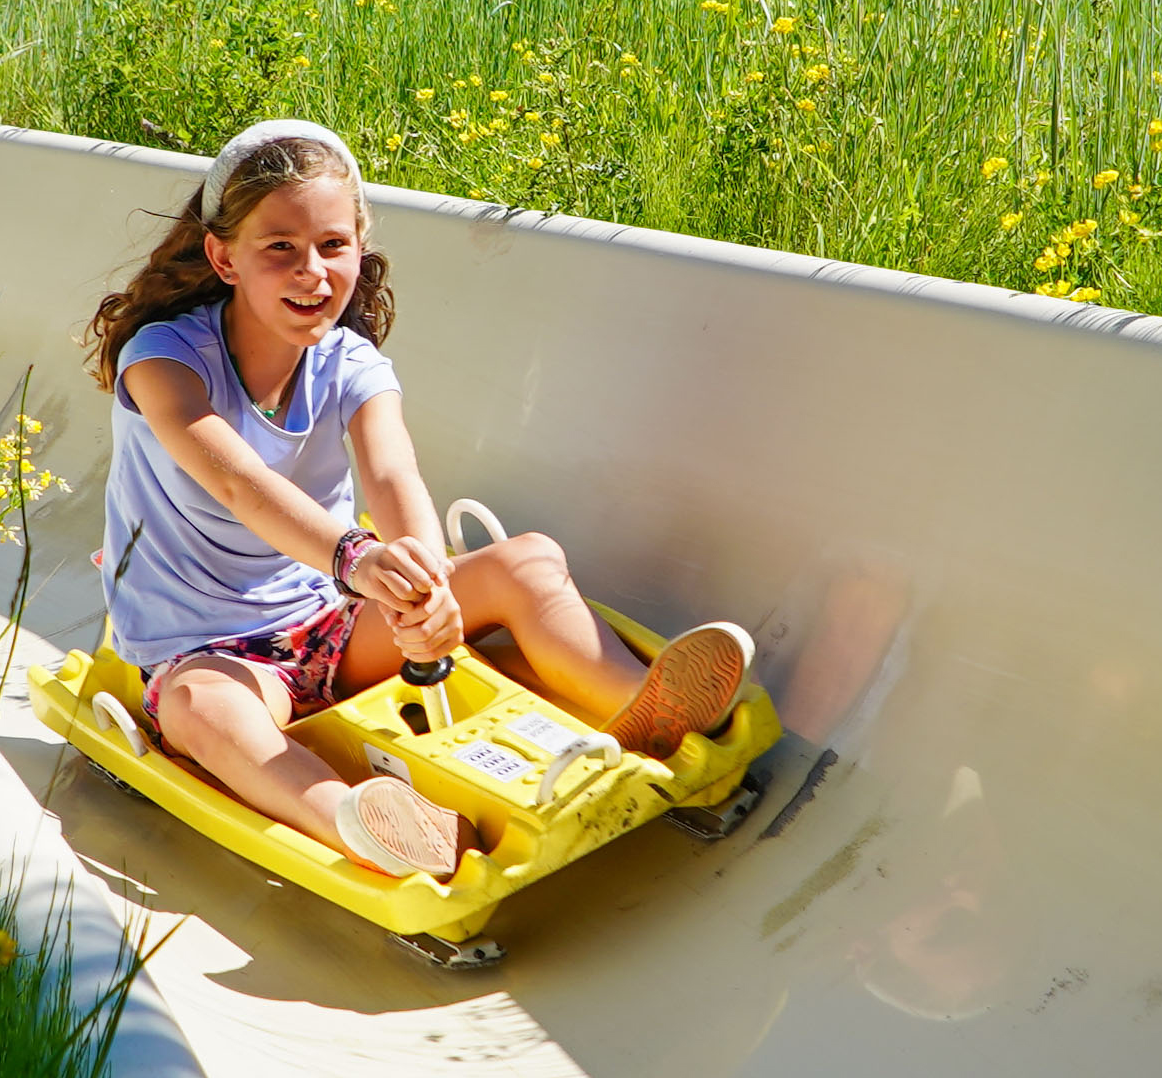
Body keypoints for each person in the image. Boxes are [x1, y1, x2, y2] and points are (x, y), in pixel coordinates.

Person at [90, 118, 750, 884]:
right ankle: (358, 818)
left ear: (358, 249)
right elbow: (241, 484)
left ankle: (646, 710)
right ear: (223, 257)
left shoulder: (351, 363)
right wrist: (358, 559)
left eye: (334, 246)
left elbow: (394, 476)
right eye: (281, 248)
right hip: (214, 651)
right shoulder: (165, 358)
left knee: (528, 562)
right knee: (204, 711)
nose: (313, 273)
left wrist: (425, 595)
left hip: (333, 622)